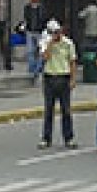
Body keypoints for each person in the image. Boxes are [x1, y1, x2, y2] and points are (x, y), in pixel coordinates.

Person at [38, 19, 77, 149]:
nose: (56, 35)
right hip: (50, 77)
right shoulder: (45, 41)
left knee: (66, 110)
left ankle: (69, 137)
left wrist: (73, 79)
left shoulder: (68, 43)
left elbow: (72, 61)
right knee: (49, 110)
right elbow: (45, 57)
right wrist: (50, 43)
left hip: (63, 77)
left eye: (57, 32)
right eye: (53, 32)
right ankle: (46, 138)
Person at [24, 0, 47, 77]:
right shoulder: (27, 7)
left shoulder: (41, 8)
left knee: (41, 51)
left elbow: (44, 18)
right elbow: (26, 18)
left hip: (39, 31)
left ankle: (38, 68)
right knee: (30, 50)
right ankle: (32, 67)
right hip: (30, 31)